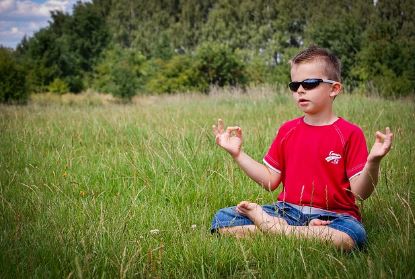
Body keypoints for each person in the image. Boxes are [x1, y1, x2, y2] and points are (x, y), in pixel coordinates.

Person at [210, 46, 393, 251]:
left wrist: (373, 162)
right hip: (287, 212)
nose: (300, 90)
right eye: (295, 85)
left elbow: (359, 193)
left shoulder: (349, 133)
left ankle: (276, 230)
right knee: (222, 220)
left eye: (310, 83)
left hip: (335, 217)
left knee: (351, 237)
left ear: (334, 89)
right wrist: (237, 154)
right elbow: (271, 180)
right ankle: (293, 231)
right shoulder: (288, 130)